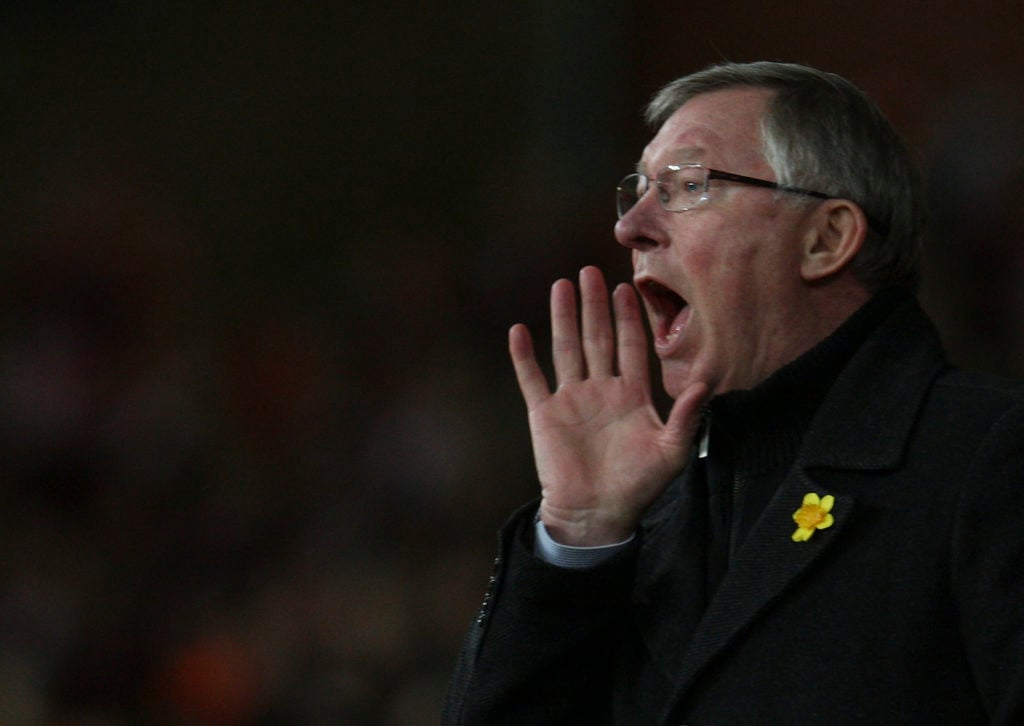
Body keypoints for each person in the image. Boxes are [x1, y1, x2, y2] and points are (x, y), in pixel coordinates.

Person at [443, 61, 1024, 724]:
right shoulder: (638, 521)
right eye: (636, 190)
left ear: (826, 238)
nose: (630, 227)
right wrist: (576, 539)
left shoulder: (987, 462)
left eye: (686, 186)